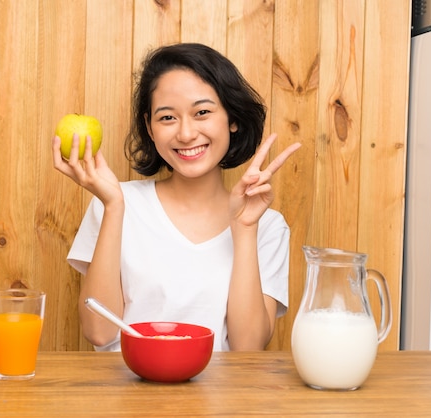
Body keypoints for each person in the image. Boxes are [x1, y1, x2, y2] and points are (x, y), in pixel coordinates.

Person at [52, 43, 301, 351]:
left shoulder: (267, 226)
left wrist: (245, 229)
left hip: (220, 399)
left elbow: (248, 349)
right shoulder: (114, 202)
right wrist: (114, 207)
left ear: (232, 119)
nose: (185, 134)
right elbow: (99, 332)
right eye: (168, 118)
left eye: (203, 113)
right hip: (125, 397)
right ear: (150, 127)